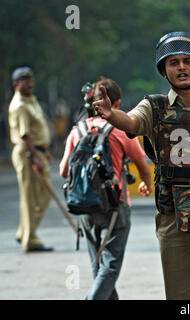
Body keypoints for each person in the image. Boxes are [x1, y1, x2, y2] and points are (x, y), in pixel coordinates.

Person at [92, 32, 190, 300]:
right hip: (173, 214)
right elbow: (132, 123)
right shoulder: (154, 107)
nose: (181, 67)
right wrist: (112, 115)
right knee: (182, 293)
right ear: (164, 70)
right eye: (174, 63)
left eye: (187, 61)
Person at [59, 77, 153, 300]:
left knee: (98, 266)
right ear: (116, 104)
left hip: (84, 205)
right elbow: (144, 167)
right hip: (115, 206)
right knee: (109, 267)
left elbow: (64, 171)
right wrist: (146, 185)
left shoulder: (77, 131)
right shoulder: (120, 131)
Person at [8, 66, 54, 252]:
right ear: (15, 84)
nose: (29, 84)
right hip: (28, 154)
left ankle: (24, 232)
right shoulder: (19, 105)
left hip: (38, 151)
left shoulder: (31, 101)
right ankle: (29, 240)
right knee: (29, 198)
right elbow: (25, 135)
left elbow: (37, 129)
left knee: (44, 195)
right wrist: (35, 157)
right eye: (24, 81)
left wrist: (45, 151)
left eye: (30, 80)